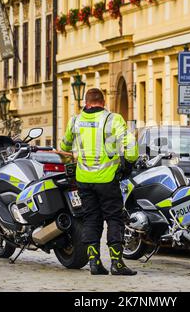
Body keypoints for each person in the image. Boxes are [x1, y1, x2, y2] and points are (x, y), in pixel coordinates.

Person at [60, 88, 139, 276]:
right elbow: (131, 145)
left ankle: (94, 263)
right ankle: (117, 264)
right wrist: (128, 164)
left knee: (90, 219)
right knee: (114, 218)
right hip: (107, 179)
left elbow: (64, 146)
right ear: (103, 102)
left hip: (84, 179)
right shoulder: (112, 119)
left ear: (86, 103)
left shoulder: (75, 120)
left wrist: (72, 159)